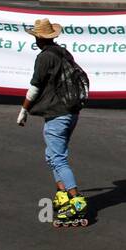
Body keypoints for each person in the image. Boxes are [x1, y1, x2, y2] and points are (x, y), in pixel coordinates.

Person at [16, 18, 88, 225]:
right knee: (52, 154)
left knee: (58, 158)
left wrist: (24, 110)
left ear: (39, 38)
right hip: (72, 111)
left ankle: (76, 201)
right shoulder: (63, 53)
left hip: (58, 113)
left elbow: (35, 87)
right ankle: (62, 195)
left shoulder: (44, 58)